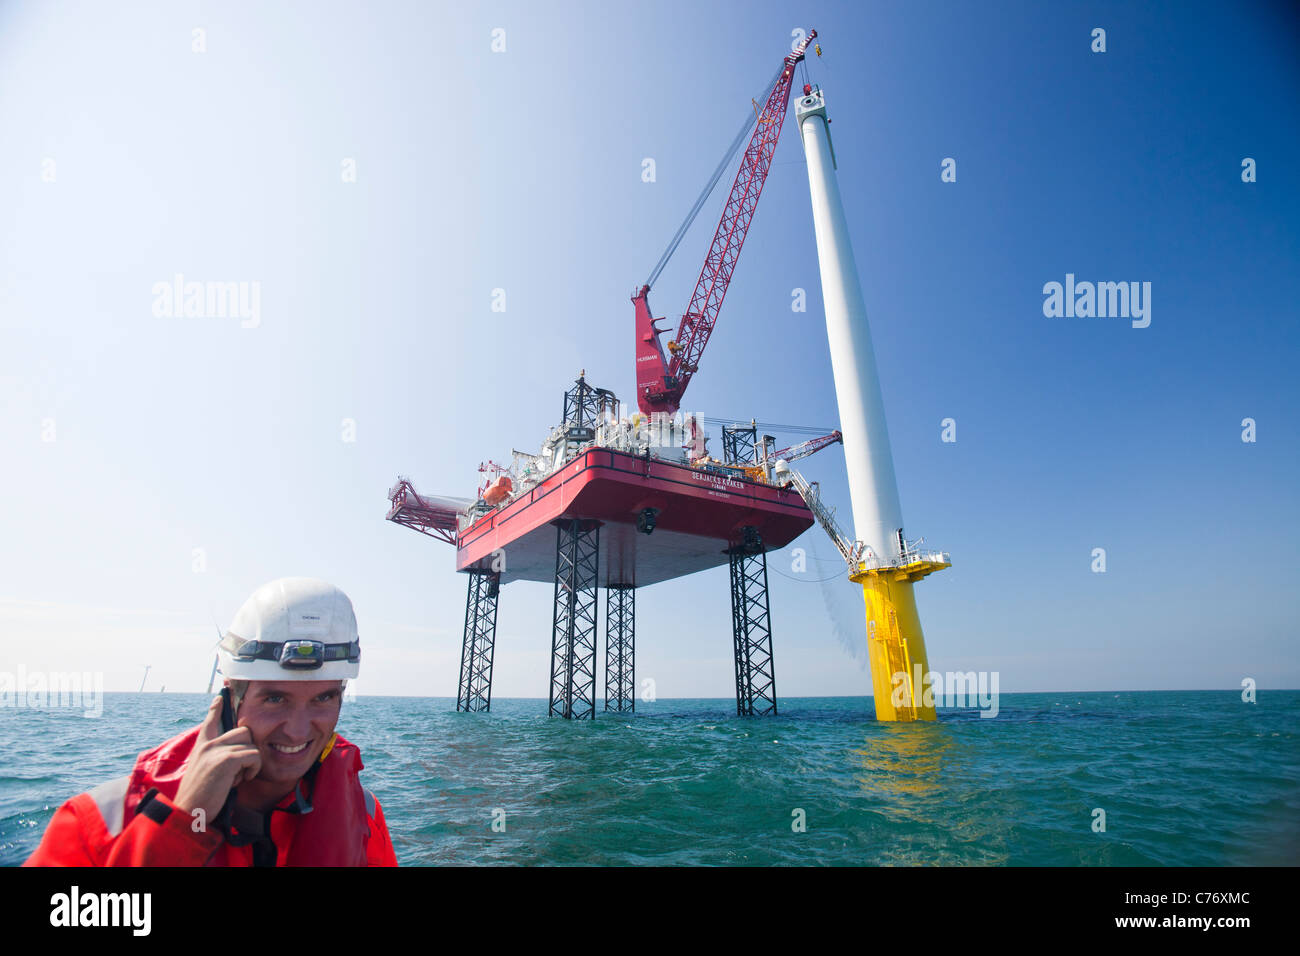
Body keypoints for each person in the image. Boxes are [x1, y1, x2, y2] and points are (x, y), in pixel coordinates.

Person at [24, 577, 398, 867]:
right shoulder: (96, 822)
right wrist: (183, 822)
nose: (298, 730)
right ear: (228, 701)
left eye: (323, 698)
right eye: (274, 699)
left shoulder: (363, 815)